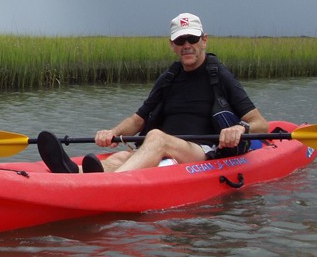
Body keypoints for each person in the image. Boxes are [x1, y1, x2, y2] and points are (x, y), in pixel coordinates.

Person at [37, 13, 269, 173]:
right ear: (172, 44)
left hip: (202, 152)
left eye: (192, 38)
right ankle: (74, 172)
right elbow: (138, 119)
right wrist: (112, 132)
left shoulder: (218, 73)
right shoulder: (169, 77)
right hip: (161, 150)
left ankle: (109, 183)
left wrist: (241, 128)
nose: (186, 44)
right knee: (119, 157)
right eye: (180, 39)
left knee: (156, 137)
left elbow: (260, 124)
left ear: (204, 40)